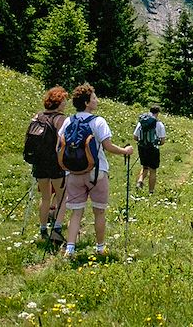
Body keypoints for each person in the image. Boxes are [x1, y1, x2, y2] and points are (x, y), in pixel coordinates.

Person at [60, 83, 133, 257]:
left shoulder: (68, 120)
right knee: (99, 211)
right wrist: (125, 150)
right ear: (86, 102)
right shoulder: (98, 121)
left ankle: (70, 249)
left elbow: (60, 144)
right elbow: (107, 146)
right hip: (96, 172)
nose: (97, 100)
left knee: (76, 212)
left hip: (73, 173)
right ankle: (100, 248)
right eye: (93, 98)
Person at [31, 86, 68, 245]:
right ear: (58, 103)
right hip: (55, 163)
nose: (66, 103)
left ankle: (42, 228)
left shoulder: (37, 116)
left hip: (39, 163)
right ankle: (57, 229)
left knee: (45, 197)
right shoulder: (61, 119)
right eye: (64, 100)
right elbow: (63, 143)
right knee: (62, 197)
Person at [133, 105, 166, 194]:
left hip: (142, 147)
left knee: (144, 167)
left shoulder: (141, 122)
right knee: (153, 170)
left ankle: (140, 181)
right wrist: (156, 142)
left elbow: (135, 137)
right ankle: (151, 191)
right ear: (158, 113)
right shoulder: (159, 124)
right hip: (153, 149)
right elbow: (162, 141)